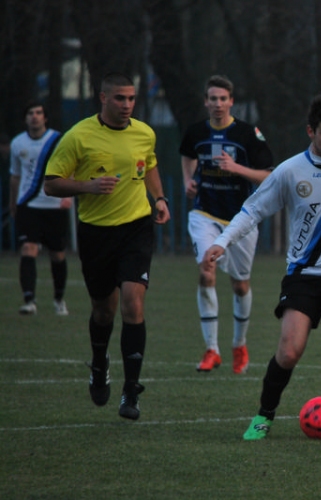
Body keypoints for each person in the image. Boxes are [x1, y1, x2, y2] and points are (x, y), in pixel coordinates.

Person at [202, 93, 321, 440]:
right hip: (303, 275)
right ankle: (263, 416)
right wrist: (223, 241)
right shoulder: (290, 171)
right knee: (289, 351)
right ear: (310, 131)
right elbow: (252, 210)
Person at [44, 72, 171, 421]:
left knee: (133, 301)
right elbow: (51, 185)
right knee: (104, 311)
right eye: (119, 98)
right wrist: (88, 185)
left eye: (131, 98)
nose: (127, 105)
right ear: (103, 98)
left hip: (136, 228)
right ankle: (99, 364)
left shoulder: (144, 133)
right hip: (96, 234)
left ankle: (131, 391)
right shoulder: (78, 137)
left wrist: (159, 198)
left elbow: (150, 165)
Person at [180, 75, 274, 374]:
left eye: (223, 98)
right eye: (212, 98)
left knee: (240, 284)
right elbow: (187, 154)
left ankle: (239, 344)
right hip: (204, 214)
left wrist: (236, 168)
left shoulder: (248, 134)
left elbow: (269, 175)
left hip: (241, 218)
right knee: (206, 270)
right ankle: (212, 350)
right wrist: (188, 181)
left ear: (231, 101)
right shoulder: (196, 131)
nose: (218, 104)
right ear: (205, 101)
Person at [9, 102, 72, 315]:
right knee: (28, 249)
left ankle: (59, 299)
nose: (34, 117)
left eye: (38, 113)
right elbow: (15, 176)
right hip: (28, 204)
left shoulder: (58, 140)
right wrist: (13, 203)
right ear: (25, 118)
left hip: (54, 205)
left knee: (58, 255)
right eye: (30, 113)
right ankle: (29, 301)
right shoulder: (17, 143)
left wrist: (69, 195)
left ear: (45, 117)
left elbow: (71, 167)